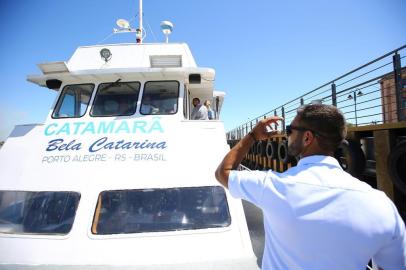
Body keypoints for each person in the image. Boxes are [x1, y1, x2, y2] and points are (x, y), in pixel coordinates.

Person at [215, 104, 406, 270]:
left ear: (307, 138)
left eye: (290, 130)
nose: (286, 136)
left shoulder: (273, 186)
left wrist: (253, 136)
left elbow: (223, 172)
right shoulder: (382, 205)